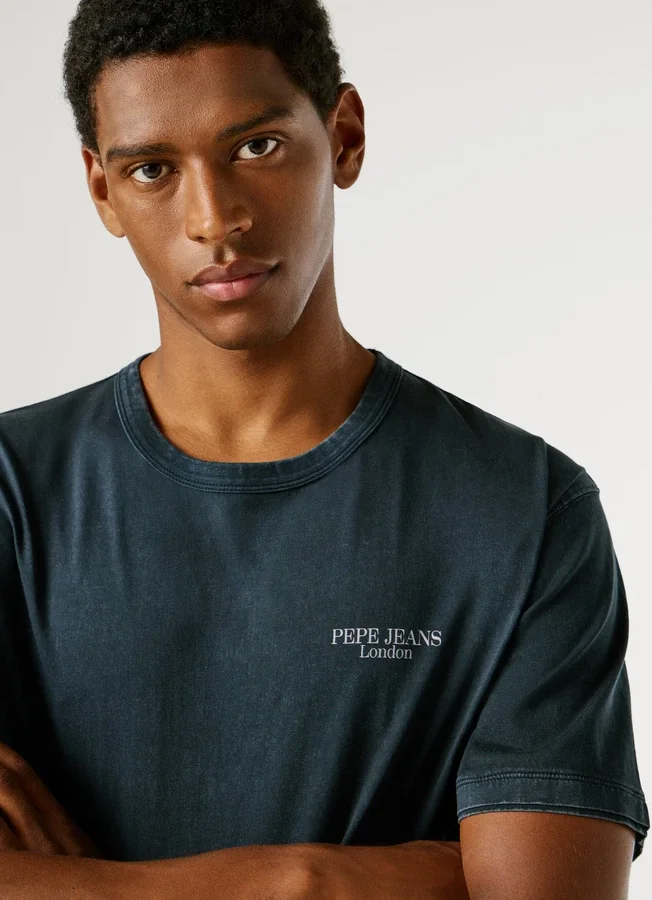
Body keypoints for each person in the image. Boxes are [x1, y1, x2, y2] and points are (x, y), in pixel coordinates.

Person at [0, 0, 648, 896]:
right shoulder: (13, 492)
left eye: (256, 146)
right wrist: (302, 879)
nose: (213, 218)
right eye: (152, 169)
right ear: (102, 190)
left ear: (344, 137)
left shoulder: (525, 511)